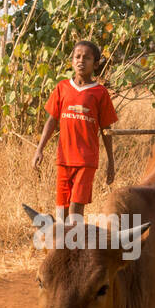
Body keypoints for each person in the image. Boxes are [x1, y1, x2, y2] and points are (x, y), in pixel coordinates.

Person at [32, 41, 118, 222]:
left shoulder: (100, 93)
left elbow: (106, 130)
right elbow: (51, 120)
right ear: (72, 61)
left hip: (86, 161)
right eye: (77, 57)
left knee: (75, 209)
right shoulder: (62, 88)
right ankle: (63, 248)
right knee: (61, 211)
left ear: (95, 64)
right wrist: (39, 149)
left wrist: (111, 161)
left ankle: (75, 248)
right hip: (63, 159)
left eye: (87, 58)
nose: (81, 61)